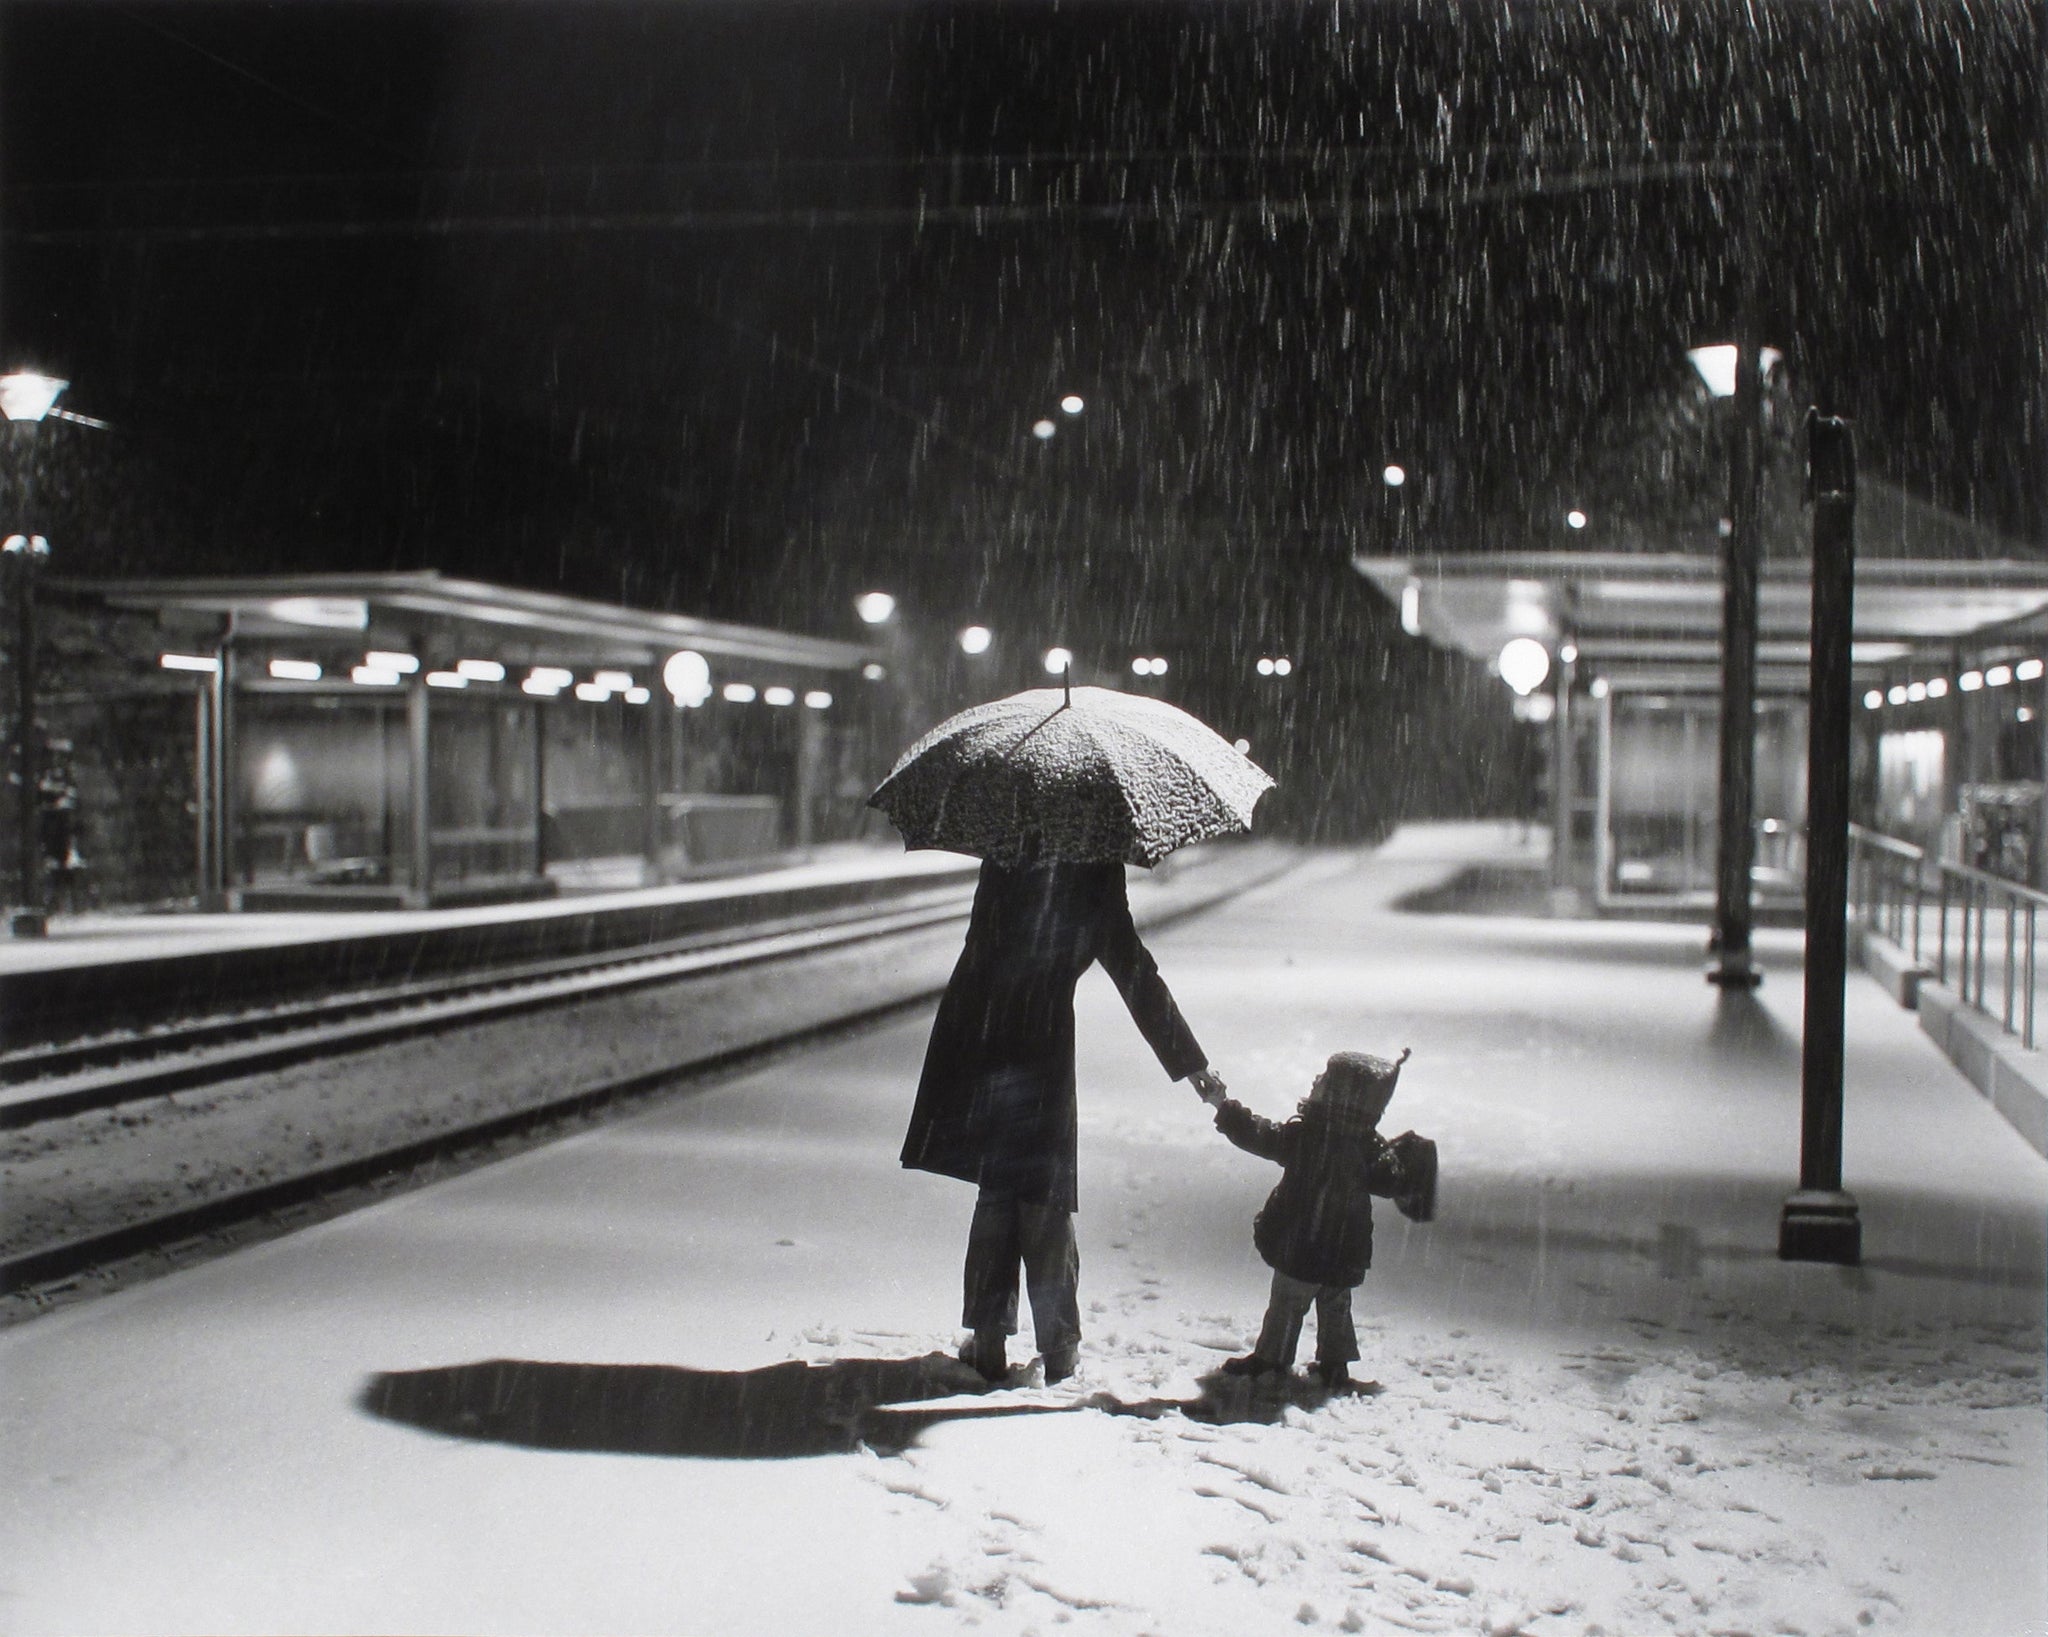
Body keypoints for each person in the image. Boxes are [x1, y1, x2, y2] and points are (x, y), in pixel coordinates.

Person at [901, 850, 1224, 1385]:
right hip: (1044, 1042)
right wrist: (1192, 1065)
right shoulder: (1094, 865)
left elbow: (980, 945)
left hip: (986, 1032)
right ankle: (1060, 1349)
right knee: (1044, 1195)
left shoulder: (1007, 848)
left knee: (998, 1190)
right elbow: (1133, 971)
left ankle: (987, 1341)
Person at [1198, 1049, 1436, 1393]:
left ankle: (1272, 1360)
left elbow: (1260, 1135)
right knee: (1336, 1305)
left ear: (1338, 1094)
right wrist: (1407, 1157)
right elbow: (1389, 1181)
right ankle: (1334, 1365)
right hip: (1345, 1248)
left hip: (1303, 1244)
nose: (1315, 1082)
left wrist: (1223, 1106)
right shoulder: (1367, 1145)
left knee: (1287, 1303)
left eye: (1324, 1079)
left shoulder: (1309, 1137)